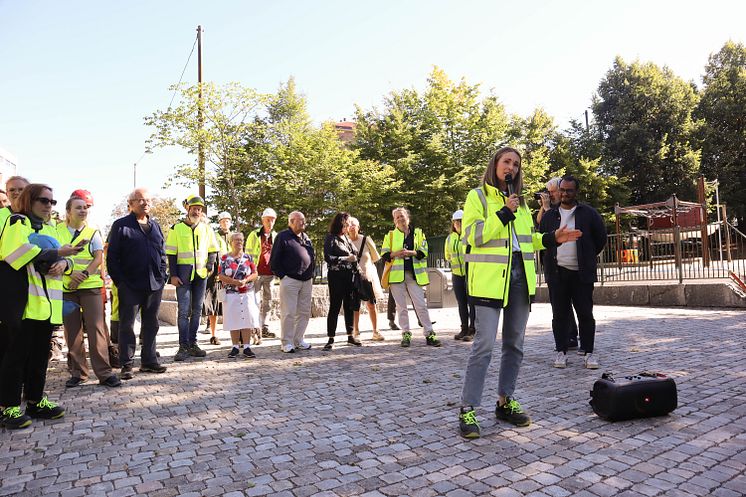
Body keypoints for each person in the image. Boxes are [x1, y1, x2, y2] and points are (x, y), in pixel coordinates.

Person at [457, 147, 581, 439]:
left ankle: (504, 402)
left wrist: (552, 238)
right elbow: (472, 236)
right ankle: (468, 408)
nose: (510, 167)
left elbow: (527, 241)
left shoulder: (522, 204)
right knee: (484, 346)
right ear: (495, 165)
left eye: (515, 163)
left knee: (514, 345)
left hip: (519, 280)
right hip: (488, 283)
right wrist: (503, 212)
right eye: (506, 161)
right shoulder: (478, 197)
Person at [0, 184, 84, 429]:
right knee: (15, 358)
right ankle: (9, 407)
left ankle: (36, 401)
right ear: (29, 201)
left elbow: (65, 259)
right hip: (25, 305)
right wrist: (56, 251)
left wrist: (65, 264)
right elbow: (13, 253)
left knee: (39, 357)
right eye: (43, 200)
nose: (49, 205)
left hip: (47, 306)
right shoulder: (17, 222)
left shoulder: (49, 228)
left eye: (52, 201)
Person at [539, 175, 607, 370]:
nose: (565, 193)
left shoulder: (589, 214)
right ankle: (560, 351)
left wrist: (587, 255)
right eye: (562, 190)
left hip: (581, 274)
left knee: (585, 313)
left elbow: (600, 238)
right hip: (557, 274)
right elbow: (543, 240)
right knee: (559, 315)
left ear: (576, 192)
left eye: (569, 190)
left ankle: (588, 352)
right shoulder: (550, 216)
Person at [57, 195, 120, 388]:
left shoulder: (93, 232)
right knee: (72, 331)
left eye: (85, 208)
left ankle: (104, 373)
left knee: (97, 330)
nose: (83, 211)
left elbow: (98, 258)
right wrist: (70, 275)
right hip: (66, 288)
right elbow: (53, 255)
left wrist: (83, 275)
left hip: (90, 287)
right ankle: (79, 373)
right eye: (78, 208)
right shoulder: (56, 230)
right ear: (68, 211)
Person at [107, 188, 168, 380]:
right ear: (131, 203)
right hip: (130, 286)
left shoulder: (155, 226)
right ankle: (126, 364)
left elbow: (162, 254)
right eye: (140, 200)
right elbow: (112, 258)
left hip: (154, 285)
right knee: (127, 326)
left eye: (148, 200)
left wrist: (162, 276)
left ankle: (149, 361)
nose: (145, 203)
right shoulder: (120, 226)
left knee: (151, 324)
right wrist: (120, 282)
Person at [166, 195, 219, 362]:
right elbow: (171, 253)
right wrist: (173, 275)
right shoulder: (176, 228)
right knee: (183, 312)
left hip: (201, 275)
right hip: (182, 275)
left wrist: (210, 267)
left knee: (197, 311)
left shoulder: (207, 229)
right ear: (187, 209)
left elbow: (213, 250)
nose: (197, 211)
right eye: (194, 208)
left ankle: (193, 344)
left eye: (199, 209)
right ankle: (183, 346)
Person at [381, 207, 440, 348]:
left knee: (421, 305)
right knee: (401, 307)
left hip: (414, 276)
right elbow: (384, 255)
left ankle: (429, 333)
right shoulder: (390, 235)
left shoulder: (418, 233)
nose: (400, 219)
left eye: (402, 216)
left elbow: (424, 251)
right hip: (396, 277)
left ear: (407, 217)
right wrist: (396, 253)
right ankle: (406, 334)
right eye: (397, 217)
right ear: (394, 221)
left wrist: (411, 253)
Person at [537, 178, 580, 349]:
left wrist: (548, 208)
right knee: (558, 304)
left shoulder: (566, 209)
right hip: (552, 265)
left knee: (573, 303)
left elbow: (557, 229)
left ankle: (572, 336)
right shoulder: (549, 209)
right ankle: (565, 337)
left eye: (553, 191)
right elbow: (541, 225)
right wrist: (544, 206)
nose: (551, 195)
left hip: (568, 264)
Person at [270, 211, 315, 353]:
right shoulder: (283, 237)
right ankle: (286, 342)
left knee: (304, 312)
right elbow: (274, 260)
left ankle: (298, 339)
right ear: (291, 221)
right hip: (290, 280)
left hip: (306, 280)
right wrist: (283, 276)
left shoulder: (305, 237)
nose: (303, 223)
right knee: (288, 312)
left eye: (304, 220)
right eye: (300, 220)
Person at [322, 212, 361, 351]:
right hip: (336, 276)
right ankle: (331, 337)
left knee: (349, 305)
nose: (350, 225)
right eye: (348, 223)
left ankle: (350, 335)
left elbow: (355, 253)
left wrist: (353, 259)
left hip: (349, 275)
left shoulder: (346, 238)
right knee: (335, 306)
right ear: (342, 223)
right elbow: (328, 257)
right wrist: (345, 259)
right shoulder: (331, 238)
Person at [218, 232, 260, 358]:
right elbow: (220, 275)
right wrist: (234, 282)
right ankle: (235, 346)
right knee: (233, 320)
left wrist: (245, 281)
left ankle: (247, 346)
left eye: (241, 240)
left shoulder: (248, 257)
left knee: (246, 319)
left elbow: (255, 273)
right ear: (231, 242)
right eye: (236, 240)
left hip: (246, 292)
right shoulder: (225, 258)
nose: (239, 242)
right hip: (231, 293)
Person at [347, 217, 384, 341]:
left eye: (354, 224)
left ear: (358, 227)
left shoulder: (366, 240)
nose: (352, 226)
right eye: (349, 224)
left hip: (367, 277)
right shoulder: (345, 241)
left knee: (371, 305)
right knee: (354, 307)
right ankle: (355, 331)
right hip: (352, 278)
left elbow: (375, 258)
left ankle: (376, 331)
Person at [246, 207, 278, 339]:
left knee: (268, 301)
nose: (270, 222)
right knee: (254, 301)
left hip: (270, 274)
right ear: (262, 220)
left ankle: (265, 327)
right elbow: (248, 254)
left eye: (272, 220)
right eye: (267, 220)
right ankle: (254, 328)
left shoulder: (276, 236)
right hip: (256, 274)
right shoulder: (254, 235)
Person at [201, 210, 231, 345]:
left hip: (228, 274)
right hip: (213, 275)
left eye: (228, 220)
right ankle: (213, 334)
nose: (226, 222)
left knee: (229, 305)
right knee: (212, 306)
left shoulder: (232, 236)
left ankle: (237, 334)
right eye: (223, 220)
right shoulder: (214, 236)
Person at [446, 209, 476, 342]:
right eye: (456, 221)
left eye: (460, 221)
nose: (458, 223)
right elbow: (447, 256)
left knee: (472, 303)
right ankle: (464, 328)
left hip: (470, 274)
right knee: (461, 303)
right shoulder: (449, 238)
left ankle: (473, 329)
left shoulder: (469, 235)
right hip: (457, 275)